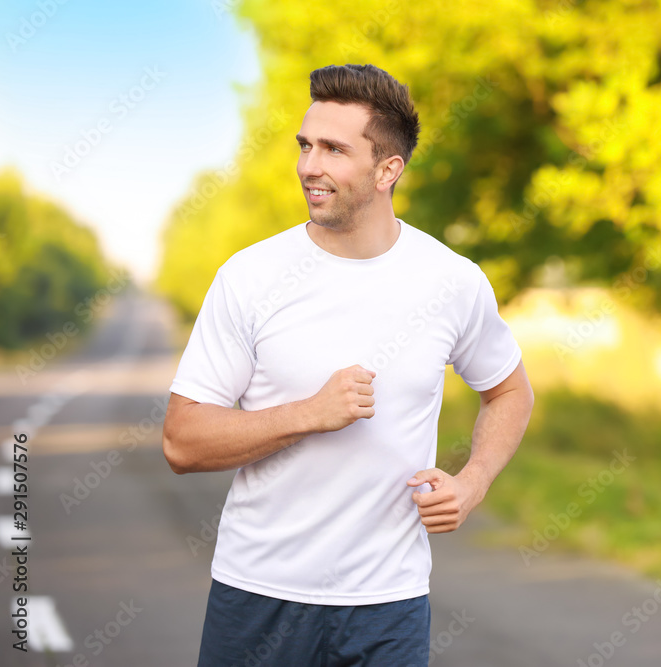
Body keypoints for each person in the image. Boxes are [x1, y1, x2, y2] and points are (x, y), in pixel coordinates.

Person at [162, 63, 534, 667]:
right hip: (258, 595)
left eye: (334, 149)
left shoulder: (452, 281)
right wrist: (308, 413)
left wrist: (473, 482)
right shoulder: (250, 277)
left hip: (389, 606)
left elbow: (511, 393)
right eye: (306, 146)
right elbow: (182, 442)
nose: (310, 166)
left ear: (388, 169)